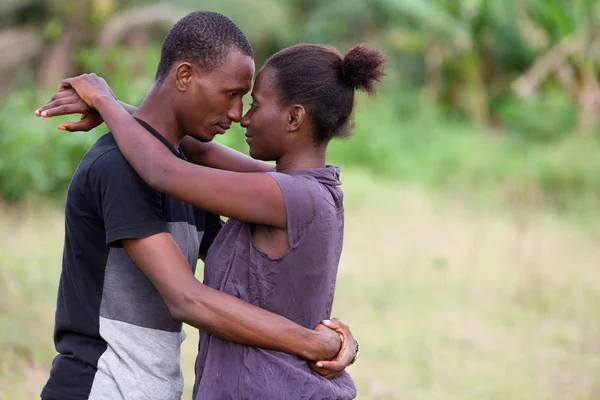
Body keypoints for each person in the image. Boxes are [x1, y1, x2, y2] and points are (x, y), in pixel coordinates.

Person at [35, 11, 358, 400]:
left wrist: (109, 103)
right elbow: (186, 297)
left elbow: (169, 167)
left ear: (295, 118)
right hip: (103, 386)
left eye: (249, 100)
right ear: (184, 77)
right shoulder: (121, 167)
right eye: (233, 95)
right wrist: (314, 342)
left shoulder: (205, 182)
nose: (239, 115)